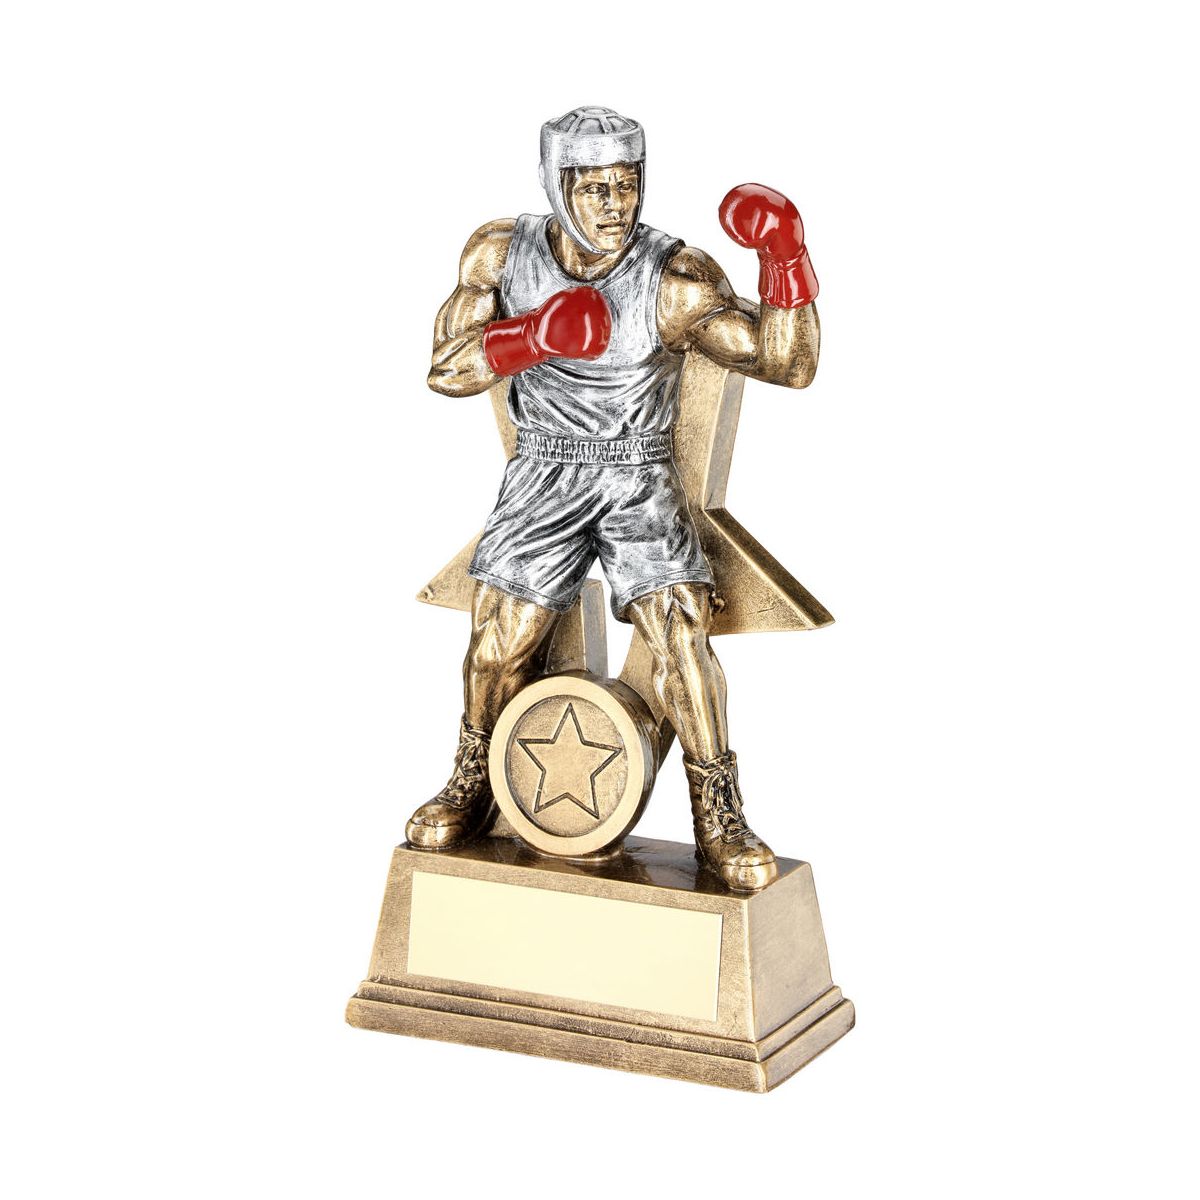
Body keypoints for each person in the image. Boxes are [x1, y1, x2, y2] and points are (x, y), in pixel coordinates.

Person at [405, 106, 820, 892]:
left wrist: (786, 257)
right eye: (594, 188)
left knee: (682, 631)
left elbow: (785, 364)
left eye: (626, 185)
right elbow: (446, 369)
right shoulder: (502, 253)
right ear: (556, 186)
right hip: (545, 469)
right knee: (498, 641)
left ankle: (719, 812)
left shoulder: (674, 278)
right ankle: (472, 777)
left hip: (637, 475)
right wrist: (533, 337)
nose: (614, 205)